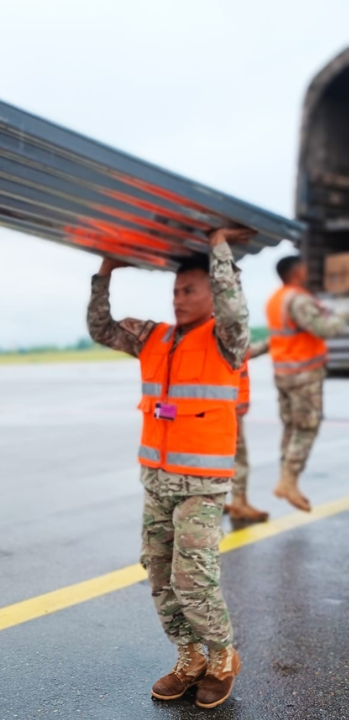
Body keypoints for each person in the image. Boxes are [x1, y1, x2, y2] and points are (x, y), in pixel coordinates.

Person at [88, 228, 255, 709]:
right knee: (159, 573)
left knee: (193, 576)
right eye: (176, 290)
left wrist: (218, 246)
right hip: (158, 480)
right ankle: (190, 657)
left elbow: (235, 310)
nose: (179, 299)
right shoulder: (153, 337)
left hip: (203, 483)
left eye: (189, 290)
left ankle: (222, 657)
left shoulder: (226, 338)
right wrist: (105, 272)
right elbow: (101, 329)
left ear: (213, 293)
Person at [265, 255, 348, 512]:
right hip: (303, 375)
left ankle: (286, 478)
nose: (307, 270)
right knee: (306, 428)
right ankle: (288, 481)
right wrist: (344, 314)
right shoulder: (297, 300)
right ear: (296, 272)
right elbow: (323, 329)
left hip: (284, 373)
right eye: (303, 267)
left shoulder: (276, 299)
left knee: (291, 428)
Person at [225, 339, 270, 522]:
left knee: (211, 460)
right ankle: (239, 503)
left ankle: (210, 502)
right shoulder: (227, 341)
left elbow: (249, 352)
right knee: (238, 459)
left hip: (221, 409)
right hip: (226, 410)